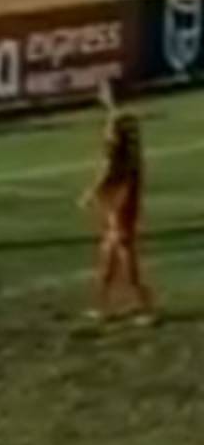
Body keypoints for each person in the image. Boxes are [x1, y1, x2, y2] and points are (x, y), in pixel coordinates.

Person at [77, 80, 155, 324]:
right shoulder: (131, 121)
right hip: (131, 185)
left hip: (121, 191)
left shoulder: (114, 124)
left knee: (121, 245)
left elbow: (112, 165)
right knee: (111, 246)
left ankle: (144, 305)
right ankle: (103, 304)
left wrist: (94, 191)